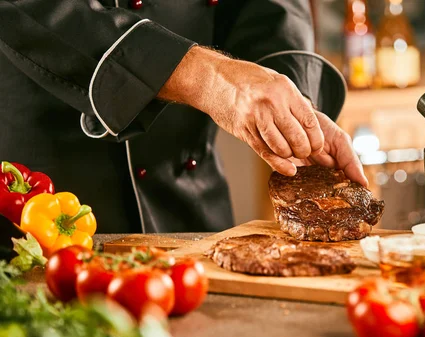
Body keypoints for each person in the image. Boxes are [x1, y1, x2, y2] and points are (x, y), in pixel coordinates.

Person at [0, 0, 367, 234]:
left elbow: (272, 8)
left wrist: (289, 99)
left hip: (193, 205)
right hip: (37, 204)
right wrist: (210, 79)